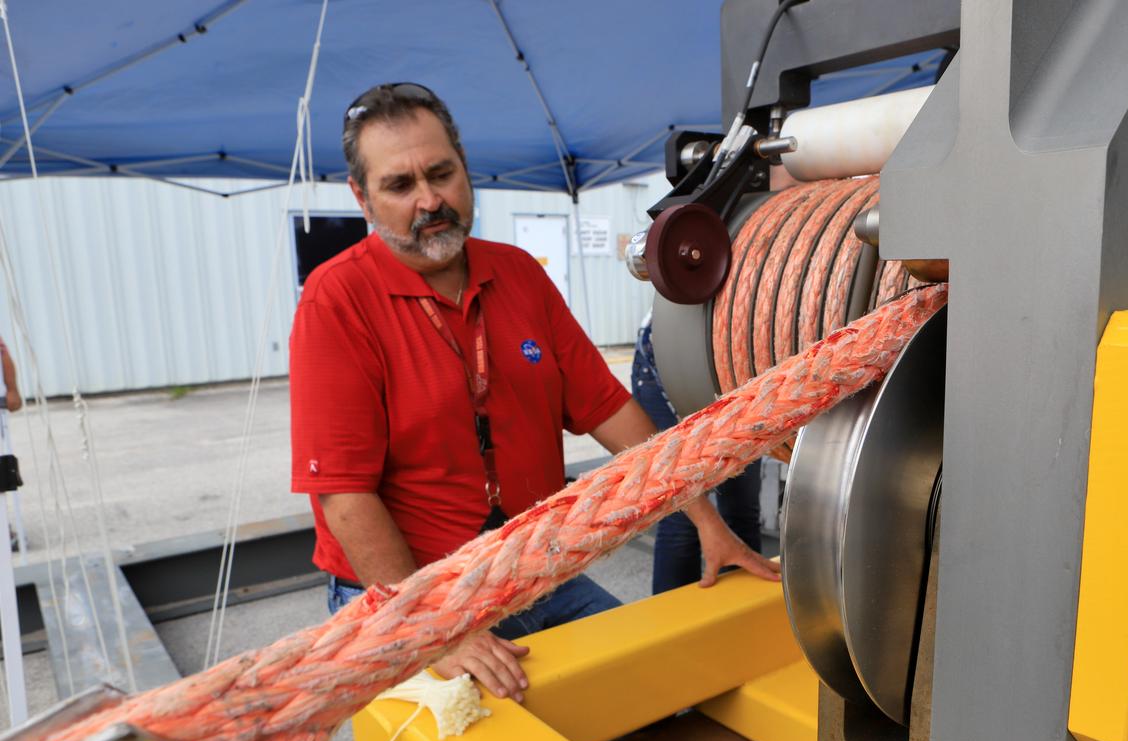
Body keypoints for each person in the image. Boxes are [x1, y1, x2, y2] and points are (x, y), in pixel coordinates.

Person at [290, 83, 779, 704]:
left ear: (465, 168)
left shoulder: (517, 272)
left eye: (442, 174)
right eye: (400, 185)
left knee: (653, 699)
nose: (430, 200)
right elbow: (345, 497)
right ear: (362, 197)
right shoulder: (336, 301)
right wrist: (429, 632)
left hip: (527, 573)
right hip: (405, 596)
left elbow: (612, 413)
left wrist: (707, 521)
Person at [630, 313, 763, 593]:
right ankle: (675, 627)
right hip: (672, 359)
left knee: (741, 508)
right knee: (682, 516)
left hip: (745, 366)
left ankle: (744, 614)